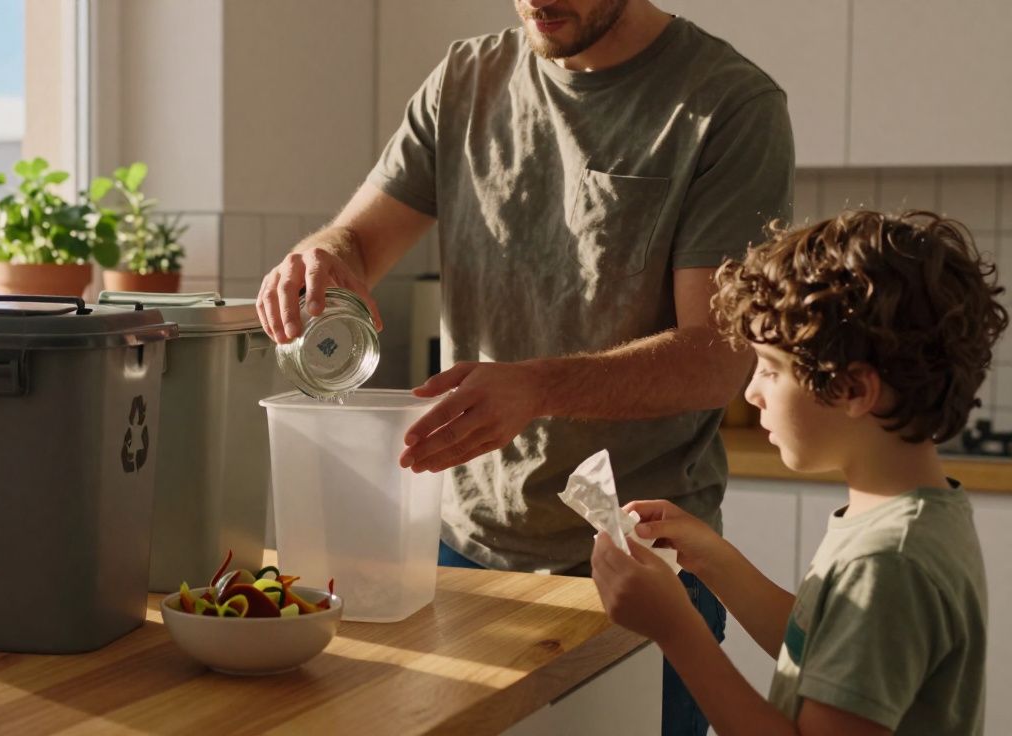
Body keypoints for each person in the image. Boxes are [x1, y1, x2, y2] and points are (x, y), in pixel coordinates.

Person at [256, 1, 792, 732]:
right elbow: (358, 242)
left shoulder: (728, 104)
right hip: (458, 559)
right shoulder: (465, 80)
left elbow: (716, 359)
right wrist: (327, 256)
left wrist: (537, 387)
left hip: (639, 570)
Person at [591, 210, 1008, 735]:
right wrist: (713, 559)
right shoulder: (914, 513)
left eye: (770, 368)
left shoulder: (888, 562)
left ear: (853, 389)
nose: (752, 392)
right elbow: (828, 645)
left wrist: (675, 628)